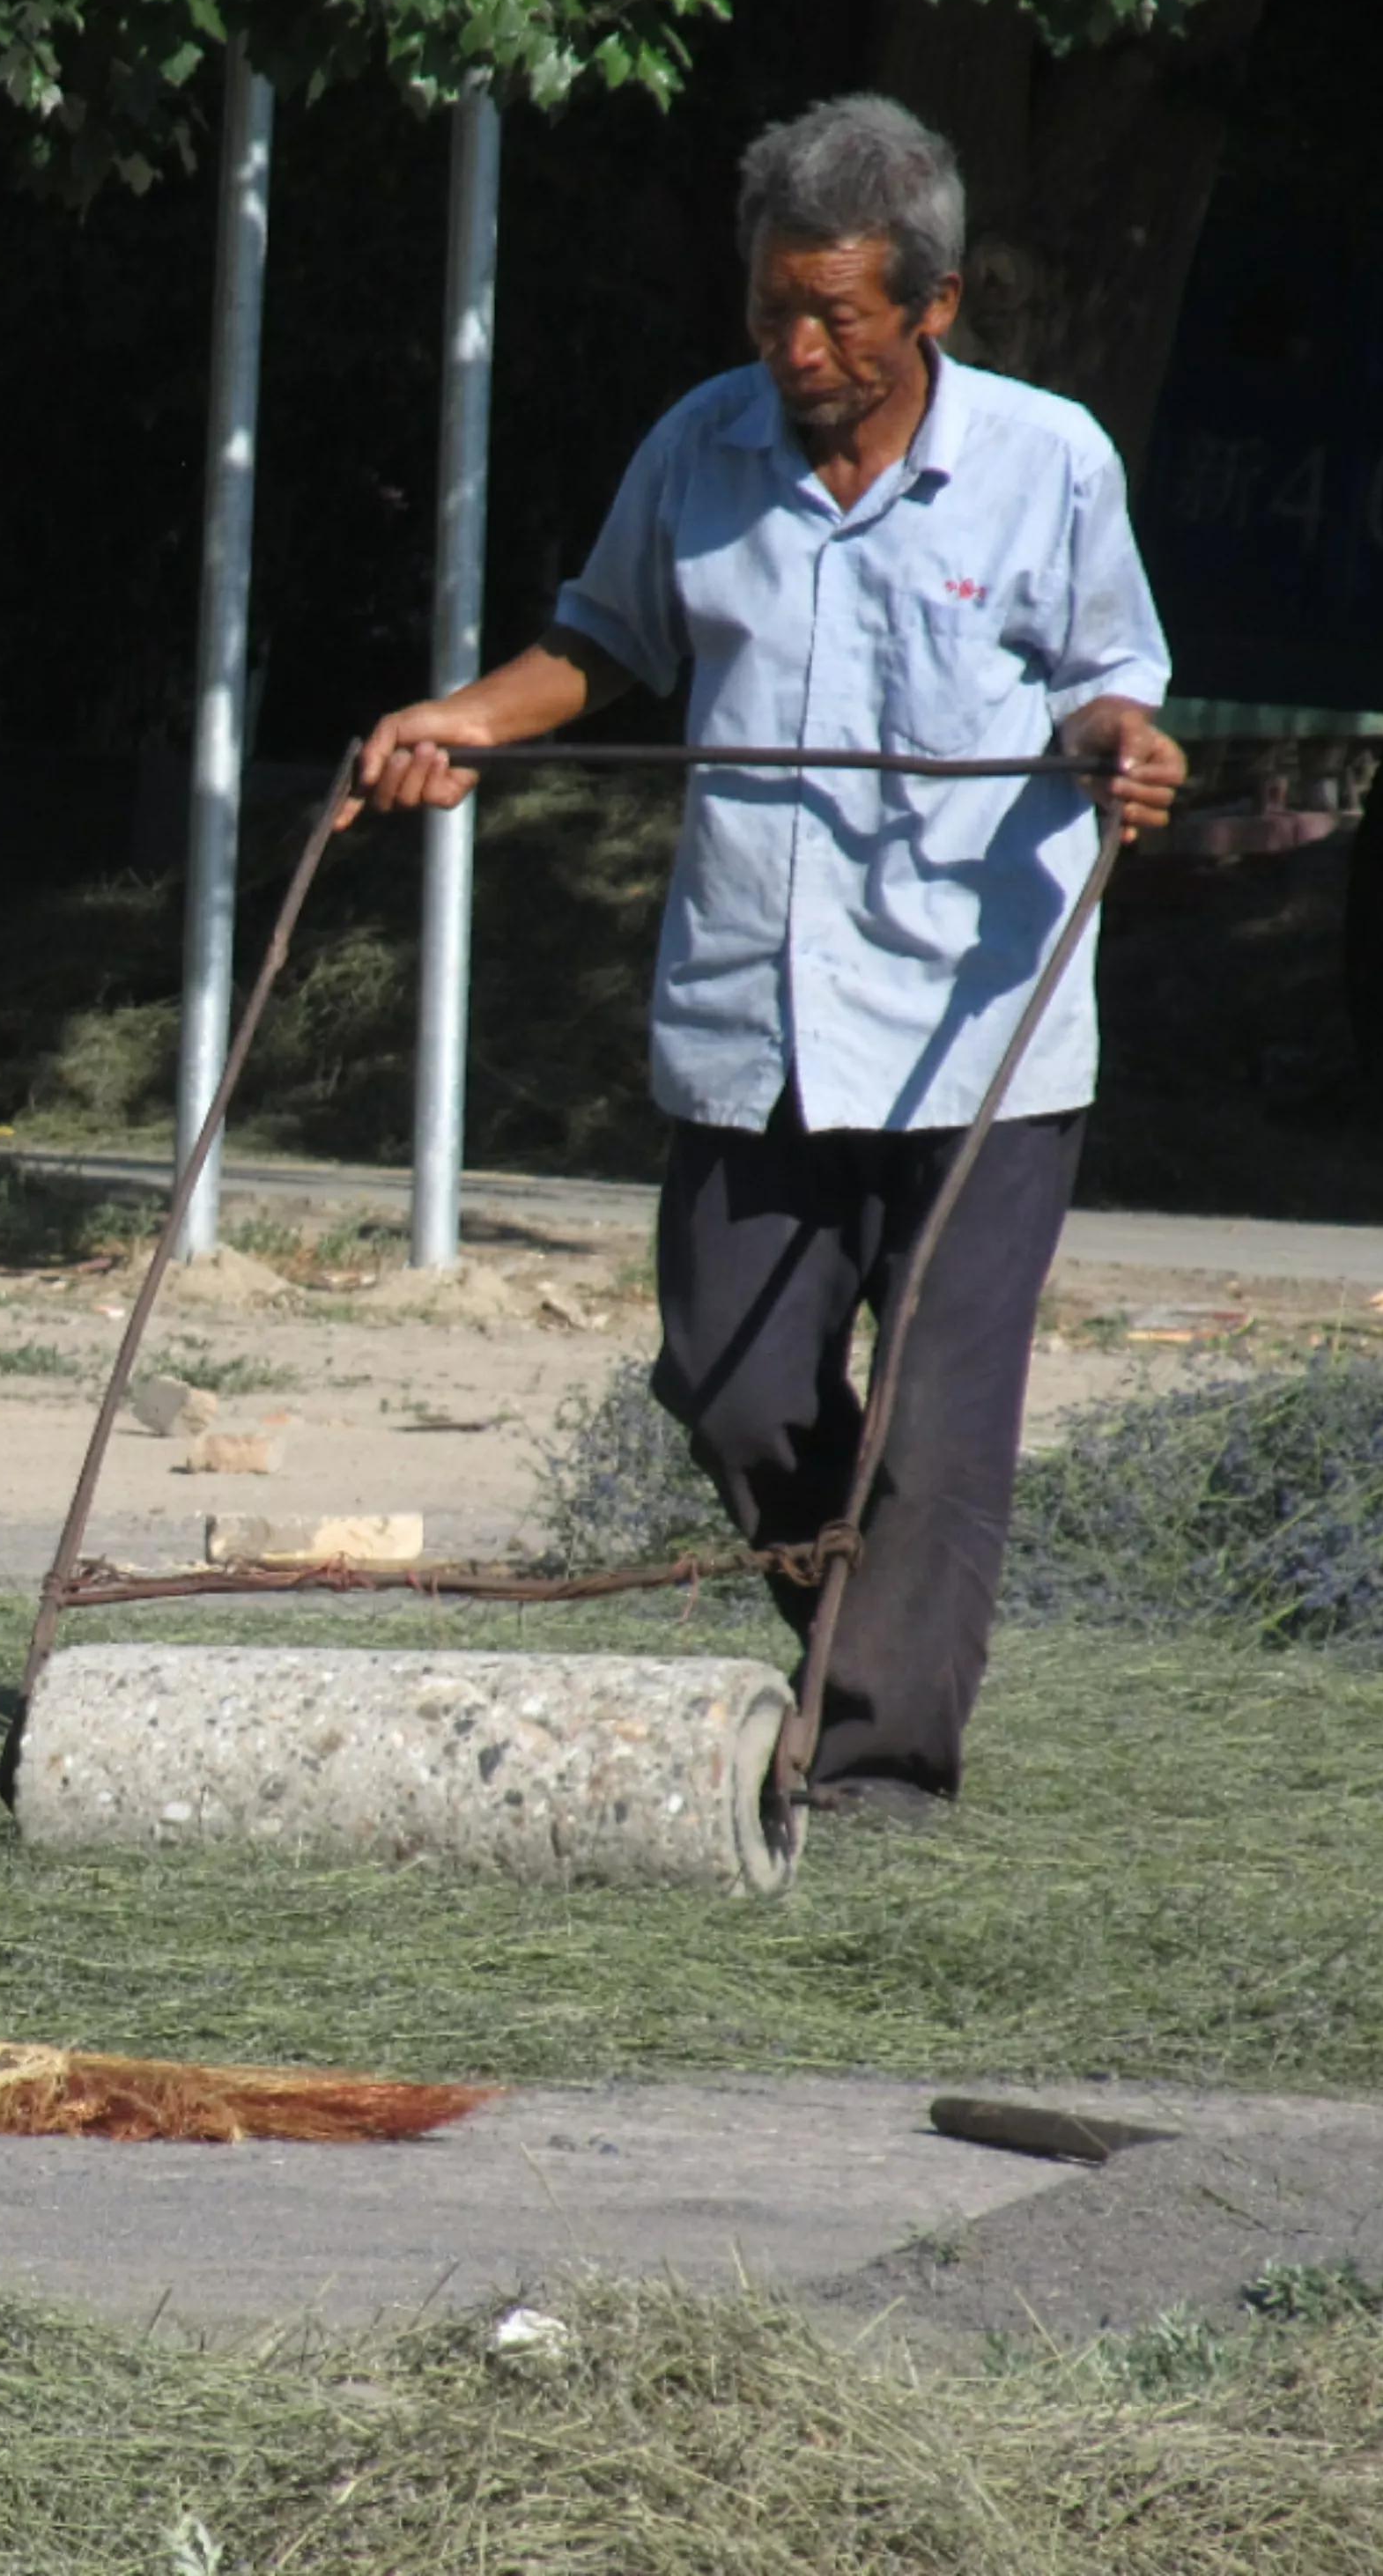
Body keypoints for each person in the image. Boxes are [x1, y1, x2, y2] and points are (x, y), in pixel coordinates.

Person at [354, 92, 1187, 1820]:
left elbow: (1115, 678)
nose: (796, 348)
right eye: (770, 311)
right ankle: (861, 1642)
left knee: (941, 1436)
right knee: (728, 1383)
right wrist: (461, 723)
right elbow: (600, 643)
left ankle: (877, 1783)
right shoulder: (702, 450)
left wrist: (1120, 745)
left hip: (980, 1036)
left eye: (837, 317)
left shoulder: (1052, 463)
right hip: (759, 1017)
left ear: (933, 306)